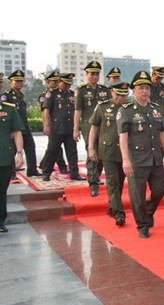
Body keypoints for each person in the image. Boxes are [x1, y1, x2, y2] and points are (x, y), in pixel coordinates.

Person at [117, 71, 164, 239]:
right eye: (141, 88)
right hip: (137, 159)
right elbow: (123, 137)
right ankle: (142, 224)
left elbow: (162, 133)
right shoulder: (126, 110)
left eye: (147, 88)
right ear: (134, 90)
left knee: (161, 188)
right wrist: (125, 160)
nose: (145, 91)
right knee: (137, 194)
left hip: (156, 157)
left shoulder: (156, 109)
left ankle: (147, 211)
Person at [88, 82, 130, 226]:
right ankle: (119, 214)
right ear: (112, 92)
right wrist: (90, 147)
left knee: (119, 182)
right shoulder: (102, 107)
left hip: (124, 152)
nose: (121, 98)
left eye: (124, 95)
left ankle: (112, 208)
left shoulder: (130, 108)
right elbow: (93, 129)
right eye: (118, 94)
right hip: (107, 151)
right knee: (112, 182)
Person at [41, 74, 86, 182]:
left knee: (72, 152)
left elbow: (77, 110)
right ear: (59, 82)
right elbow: (46, 110)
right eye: (65, 83)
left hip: (69, 128)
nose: (68, 86)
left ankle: (74, 174)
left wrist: (76, 127)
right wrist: (46, 125)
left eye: (70, 83)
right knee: (52, 151)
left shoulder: (72, 94)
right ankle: (46, 173)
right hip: (57, 128)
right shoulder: (52, 93)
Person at [74, 61, 110, 197]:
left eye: (97, 74)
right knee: (92, 153)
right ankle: (93, 184)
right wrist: (75, 129)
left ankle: (96, 177)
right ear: (86, 74)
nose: (95, 76)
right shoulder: (81, 90)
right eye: (92, 74)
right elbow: (77, 111)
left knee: (102, 154)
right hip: (88, 127)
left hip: (103, 127)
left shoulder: (104, 90)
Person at [1, 70, 39, 177]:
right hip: (14, 128)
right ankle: (11, 171)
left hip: (24, 127)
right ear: (11, 82)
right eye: (16, 81)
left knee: (31, 147)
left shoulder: (21, 95)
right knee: (12, 151)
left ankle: (32, 170)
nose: (19, 83)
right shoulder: (6, 96)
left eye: (21, 81)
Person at [0, 99, 24, 232]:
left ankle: (0, 220)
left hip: (4, 155)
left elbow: (17, 132)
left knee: (1, 190)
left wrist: (19, 153)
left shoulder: (9, 109)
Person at [39, 70, 69, 175]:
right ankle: (61, 166)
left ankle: (44, 164)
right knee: (54, 148)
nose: (56, 83)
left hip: (61, 125)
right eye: (53, 81)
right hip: (52, 125)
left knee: (53, 148)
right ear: (48, 82)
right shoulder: (45, 95)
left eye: (57, 81)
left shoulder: (62, 94)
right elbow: (44, 111)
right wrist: (46, 125)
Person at [150, 66, 164, 131]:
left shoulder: (163, 88)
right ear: (153, 75)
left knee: (163, 139)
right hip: (150, 118)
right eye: (158, 77)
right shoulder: (146, 87)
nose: (159, 79)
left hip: (161, 118)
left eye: (161, 78)